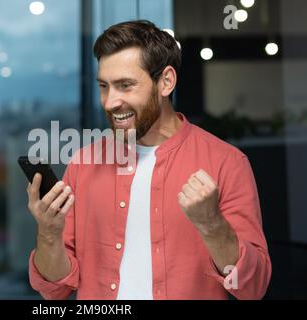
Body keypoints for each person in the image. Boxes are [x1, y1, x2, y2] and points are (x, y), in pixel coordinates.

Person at [26, 20, 271, 300]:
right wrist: (48, 233)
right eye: (104, 86)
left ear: (166, 81)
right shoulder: (83, 164)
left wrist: (212, 224)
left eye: (125, 85)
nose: (109, 102)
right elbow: (54, 291)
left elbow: (253, 287)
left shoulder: (226, 162)